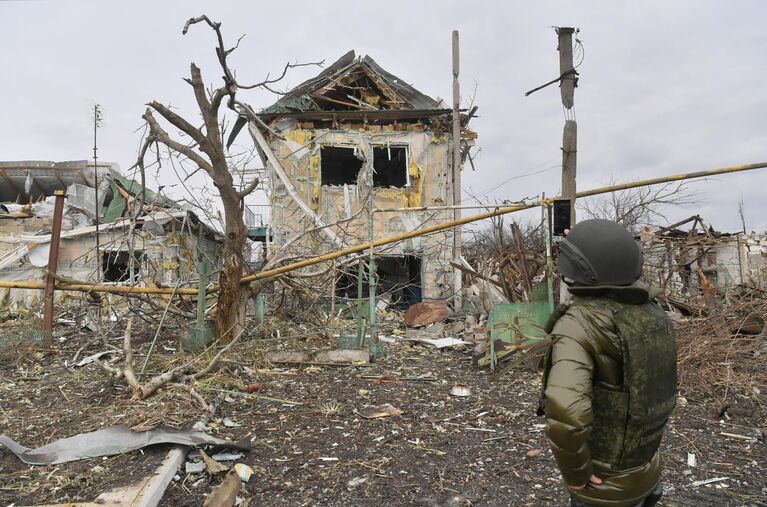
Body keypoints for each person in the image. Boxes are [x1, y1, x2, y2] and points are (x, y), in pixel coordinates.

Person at [538, 219, 677, 507]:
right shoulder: (652, 314)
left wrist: (576, 474)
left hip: (604, 487)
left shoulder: (578, 324)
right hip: (647, 472)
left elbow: (566, 415)